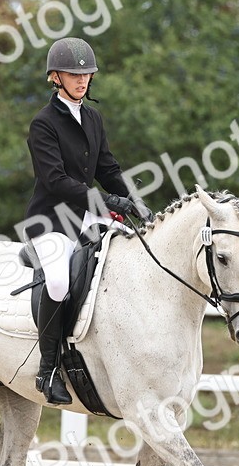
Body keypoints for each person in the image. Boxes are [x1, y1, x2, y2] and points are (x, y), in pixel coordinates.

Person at [23, 37, 152, 405]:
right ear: (55, 77)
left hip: (87, 216)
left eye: (87, 75)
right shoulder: (43, 124)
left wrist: (136, 203)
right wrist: (107, 200)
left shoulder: (93, 117)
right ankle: (48, 370)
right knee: (60, 281)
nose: (82, 81)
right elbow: (56, 181)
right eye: (73, 75)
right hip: (51, 220)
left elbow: (107, 167)